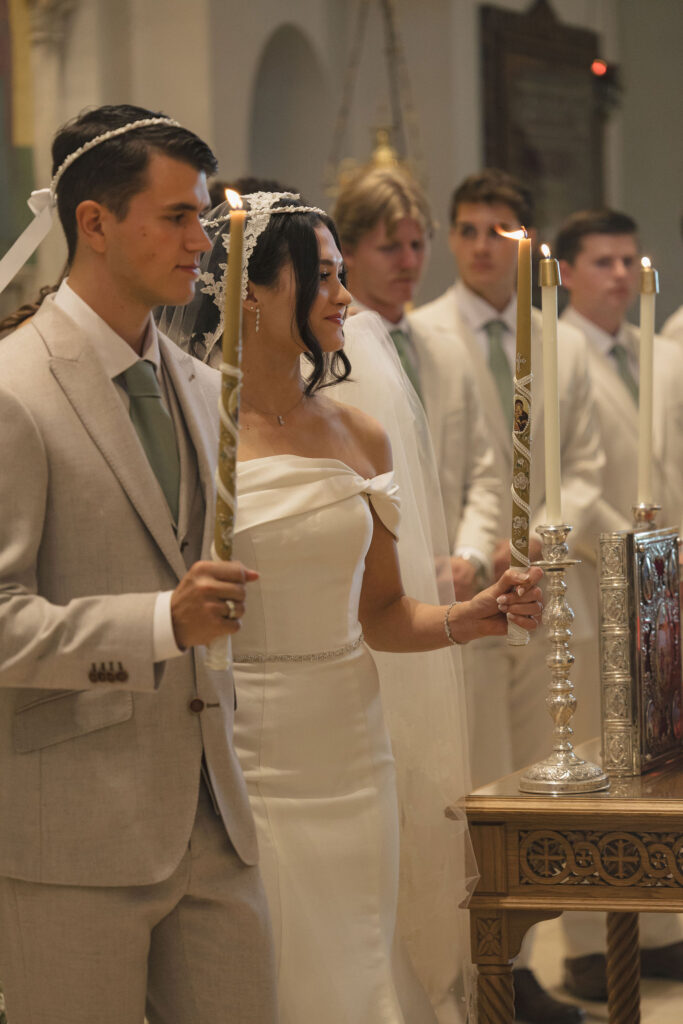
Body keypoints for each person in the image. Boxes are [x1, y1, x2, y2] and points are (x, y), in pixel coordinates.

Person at [161, 190, 544, 1024]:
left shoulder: (359, 436)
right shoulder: (190, 430)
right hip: (247, 743)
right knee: (271, 968)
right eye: (324, 277)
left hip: (351, 740)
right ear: (253, 293)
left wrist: (466, 616)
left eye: (341, 275)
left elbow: (379, 613)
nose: (344, 297)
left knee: (358, 949)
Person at [0, 105, 278, 1024]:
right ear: (94, 222)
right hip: (72, 832)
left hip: (213, 815)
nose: (203, 240)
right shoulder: (13, 391)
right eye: (177, 217)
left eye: (204, 216)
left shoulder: (204, 385)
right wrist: (163, 623)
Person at [412, 169, 606, 1024]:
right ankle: (465, 959)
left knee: (542, 771)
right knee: (471, 777)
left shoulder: (556, 341)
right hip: (460, 591)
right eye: (465, 229)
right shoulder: (416, 334)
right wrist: (470, 548)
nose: (480, 245)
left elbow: (587, 463)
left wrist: (540, 536)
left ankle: (525, 957)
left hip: (549, 589)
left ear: (523, 243)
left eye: (497, 230)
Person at [556, 208, 683, 1001]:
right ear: (566, 272)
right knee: (599, 758)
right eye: (602, 261)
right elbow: (572, 476)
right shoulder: (557, 350)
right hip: (594, 575)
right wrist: (635, 557)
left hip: (663, 581)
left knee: (660, 755)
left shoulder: (657, 352)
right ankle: (587, 945)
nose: (619, 275)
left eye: (630, 260)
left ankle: (661, 928)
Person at [334, 166, 502, 602]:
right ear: (347, 252)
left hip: (452, 586)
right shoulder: (324, 357)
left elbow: (485, 472)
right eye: (390, 247)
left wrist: (470, 556)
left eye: (417, 244)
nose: (409, 262)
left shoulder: (446, 349)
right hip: (364, 589)